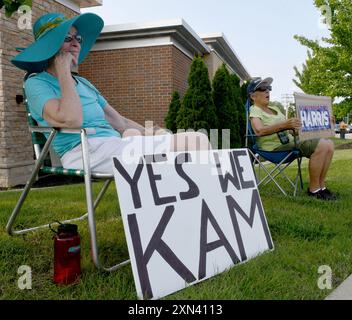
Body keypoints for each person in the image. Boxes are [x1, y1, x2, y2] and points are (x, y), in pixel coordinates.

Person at [12, 13, 211, 174]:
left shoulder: (83, 83)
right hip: (83, 151)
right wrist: (63, 70)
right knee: (187, 151)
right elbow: (72, 120)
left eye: (78, 38)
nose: (76, 43)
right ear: (50, 47)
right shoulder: (37, 83)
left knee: (195, 140)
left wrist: (151, 133)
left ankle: (202, 209)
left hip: (113, 145)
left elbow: (121, 123)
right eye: (66, 38)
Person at [247, 77, 336, 200]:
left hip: (291, 142)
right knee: (322, 145)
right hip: (274, 148)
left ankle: (321, 187)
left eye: (269, 88)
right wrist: (284, 125)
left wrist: (324, 121)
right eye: (262, 88)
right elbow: (259, 131)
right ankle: (313, 189)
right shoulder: (255, 110)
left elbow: (292, 131)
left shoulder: (275, 109)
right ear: (253, 96)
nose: (267, 91)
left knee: (329, 144)